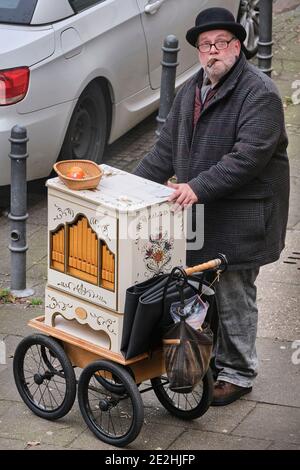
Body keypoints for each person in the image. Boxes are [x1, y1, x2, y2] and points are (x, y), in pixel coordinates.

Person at [133, 7, 290, 406]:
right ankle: (213, 360)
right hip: (203, 213)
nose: (212, 51)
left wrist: (196, 187)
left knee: (235, 291)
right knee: (204, 290)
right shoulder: (193, 90)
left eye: (221, 43)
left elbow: (247, 158)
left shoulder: (261, 94)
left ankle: (238, 373)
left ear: (237, 47)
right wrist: (129, 186)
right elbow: (165, 150)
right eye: (205, 45)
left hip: (244, 216)